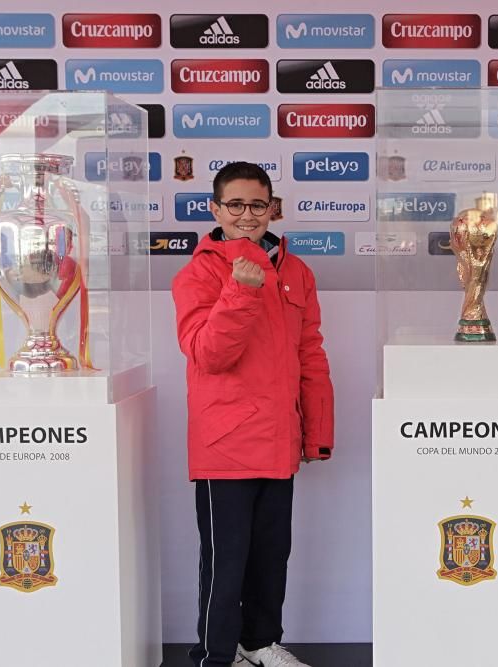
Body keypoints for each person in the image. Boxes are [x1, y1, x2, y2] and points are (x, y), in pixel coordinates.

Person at [172, 162, 334, 667]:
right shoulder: (198, 272)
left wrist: (316, 433)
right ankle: (217, 655)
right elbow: (208, 354)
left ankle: (260, 644)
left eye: (257, 204)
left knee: (270, 558)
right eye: (235, 205)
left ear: (272, 208)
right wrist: (240, 290)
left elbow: (310, 353)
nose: (247, 215)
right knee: (225, 566)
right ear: (215, 209)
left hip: (278, 441)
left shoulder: (296, 271)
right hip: (226, 446)